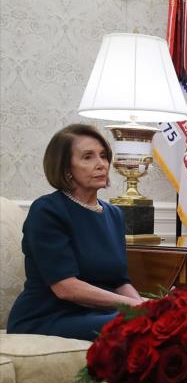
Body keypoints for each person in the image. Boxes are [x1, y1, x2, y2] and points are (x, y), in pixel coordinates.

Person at [6, 124, 144, 341]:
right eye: (88, 157)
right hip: (47, 318)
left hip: (99, 314)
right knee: (140, 324)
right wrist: (134, 307)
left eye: (103, 156)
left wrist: (146, 307)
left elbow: (120, 282)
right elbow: (66, 288)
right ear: (65, 169)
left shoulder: (114, 214)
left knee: (165, 320)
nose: (101, 164)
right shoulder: (47, 210)